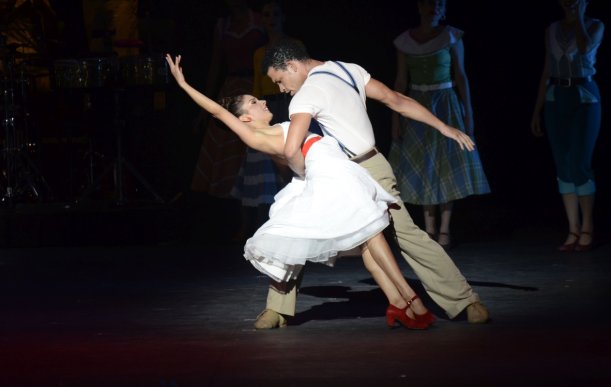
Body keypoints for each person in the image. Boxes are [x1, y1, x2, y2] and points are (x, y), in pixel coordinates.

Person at [166, 53, 435, 330]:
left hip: (332, 167)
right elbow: (218, 111)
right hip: (329, 172)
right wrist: (183, 84)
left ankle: (398, 302)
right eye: (254, 103)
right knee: (371, 231)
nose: (263, 101)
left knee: (368, 236)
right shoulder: (256, 136)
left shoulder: (278, 128)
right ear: (245, 118)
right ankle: (412, 301)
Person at [256, 38, 489, 329]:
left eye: (280, 80)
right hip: (338, 170)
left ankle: (464, 299)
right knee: (294, 229)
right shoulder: (347, 69)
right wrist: (443, 126)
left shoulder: (306, 95)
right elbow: (396, 100)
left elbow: (291, 150)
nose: (281, 89)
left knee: (405, 233)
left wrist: (301, 175)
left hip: (366, 169)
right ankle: (277, 308)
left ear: (291, 65)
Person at [389, 0, 490, 249]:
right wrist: (396, 118)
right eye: (427, 3)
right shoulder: (405, 41)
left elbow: (461, 76)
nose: (432, 7)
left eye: (438, 3)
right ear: (419, 7)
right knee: (424, 163)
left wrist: (469, 115)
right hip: (417, 104)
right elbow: (401, 81)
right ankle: (429, 226)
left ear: (444, 9)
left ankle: (444, 228)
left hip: (445, 103)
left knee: (445, 163)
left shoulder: (452, 37)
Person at [530, 0, 604, 252]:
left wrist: (580, 15)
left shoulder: (595, 25)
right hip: (556, 97)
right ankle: (572, 228)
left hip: (584, 95)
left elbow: (584, 49)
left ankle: (587, 227)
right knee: (563, 163)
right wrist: (537, 109)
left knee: (579, 162)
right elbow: (547, 69)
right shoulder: (552, 29)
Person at [190, 0, 266, 197]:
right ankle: (229, 189)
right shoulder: (223, 25)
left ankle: (254, 188)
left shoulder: (258, 20)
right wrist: (205, 105)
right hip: (231, 87)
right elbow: (216, 65)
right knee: (227, 138)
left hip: (254, 86)